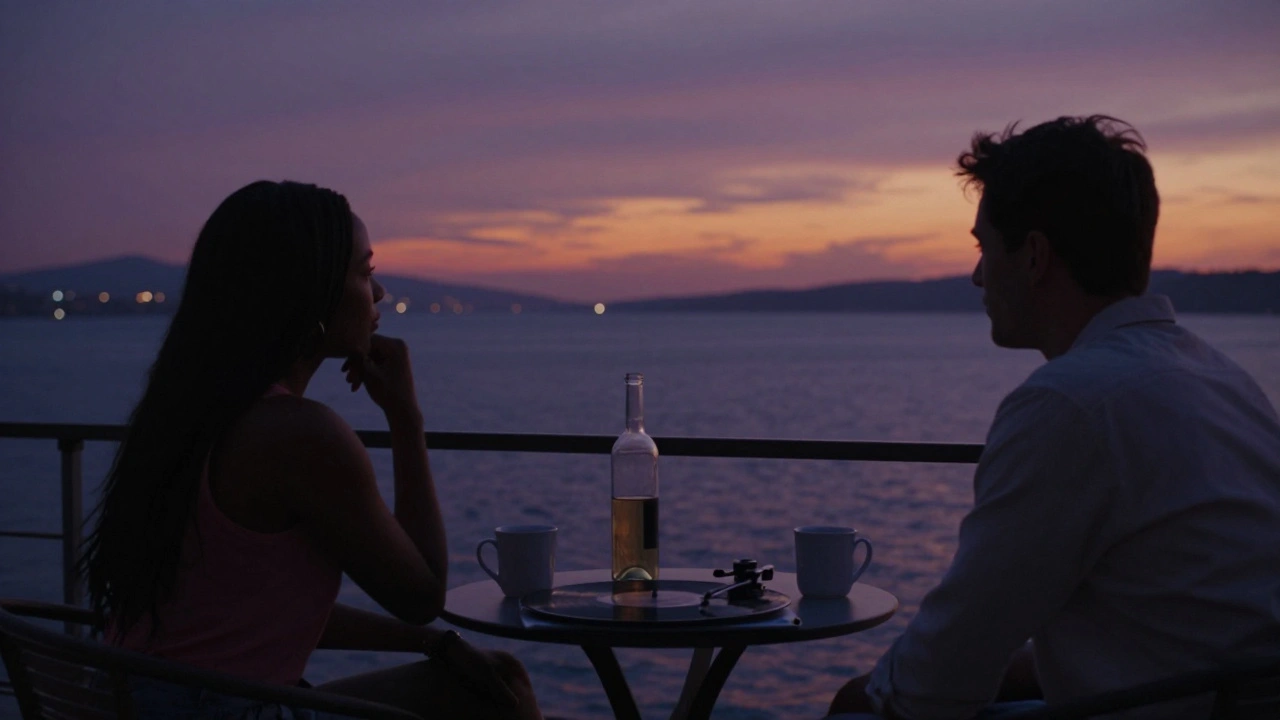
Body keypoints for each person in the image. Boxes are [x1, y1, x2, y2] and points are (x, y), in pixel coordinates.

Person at [828, 116, 1280, 719]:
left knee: (858, 709)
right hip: (1218, 697)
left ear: (1034, 256)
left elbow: (942, 674)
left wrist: (860, 696)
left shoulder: (1070, 405)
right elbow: (1164, 625)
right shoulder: (1219, 378)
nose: (978, 275)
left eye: (984, 247)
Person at [79, 180, 543, 719]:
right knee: (493, 691)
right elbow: (422, 596)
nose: (380, 294)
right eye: (365, 273)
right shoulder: (300, 436)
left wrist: (434, 644)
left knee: (491, 675)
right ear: (313, 293)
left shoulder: (190, 414)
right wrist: (405, 419)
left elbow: (239, 612)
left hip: (129, 698)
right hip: (221, 709)